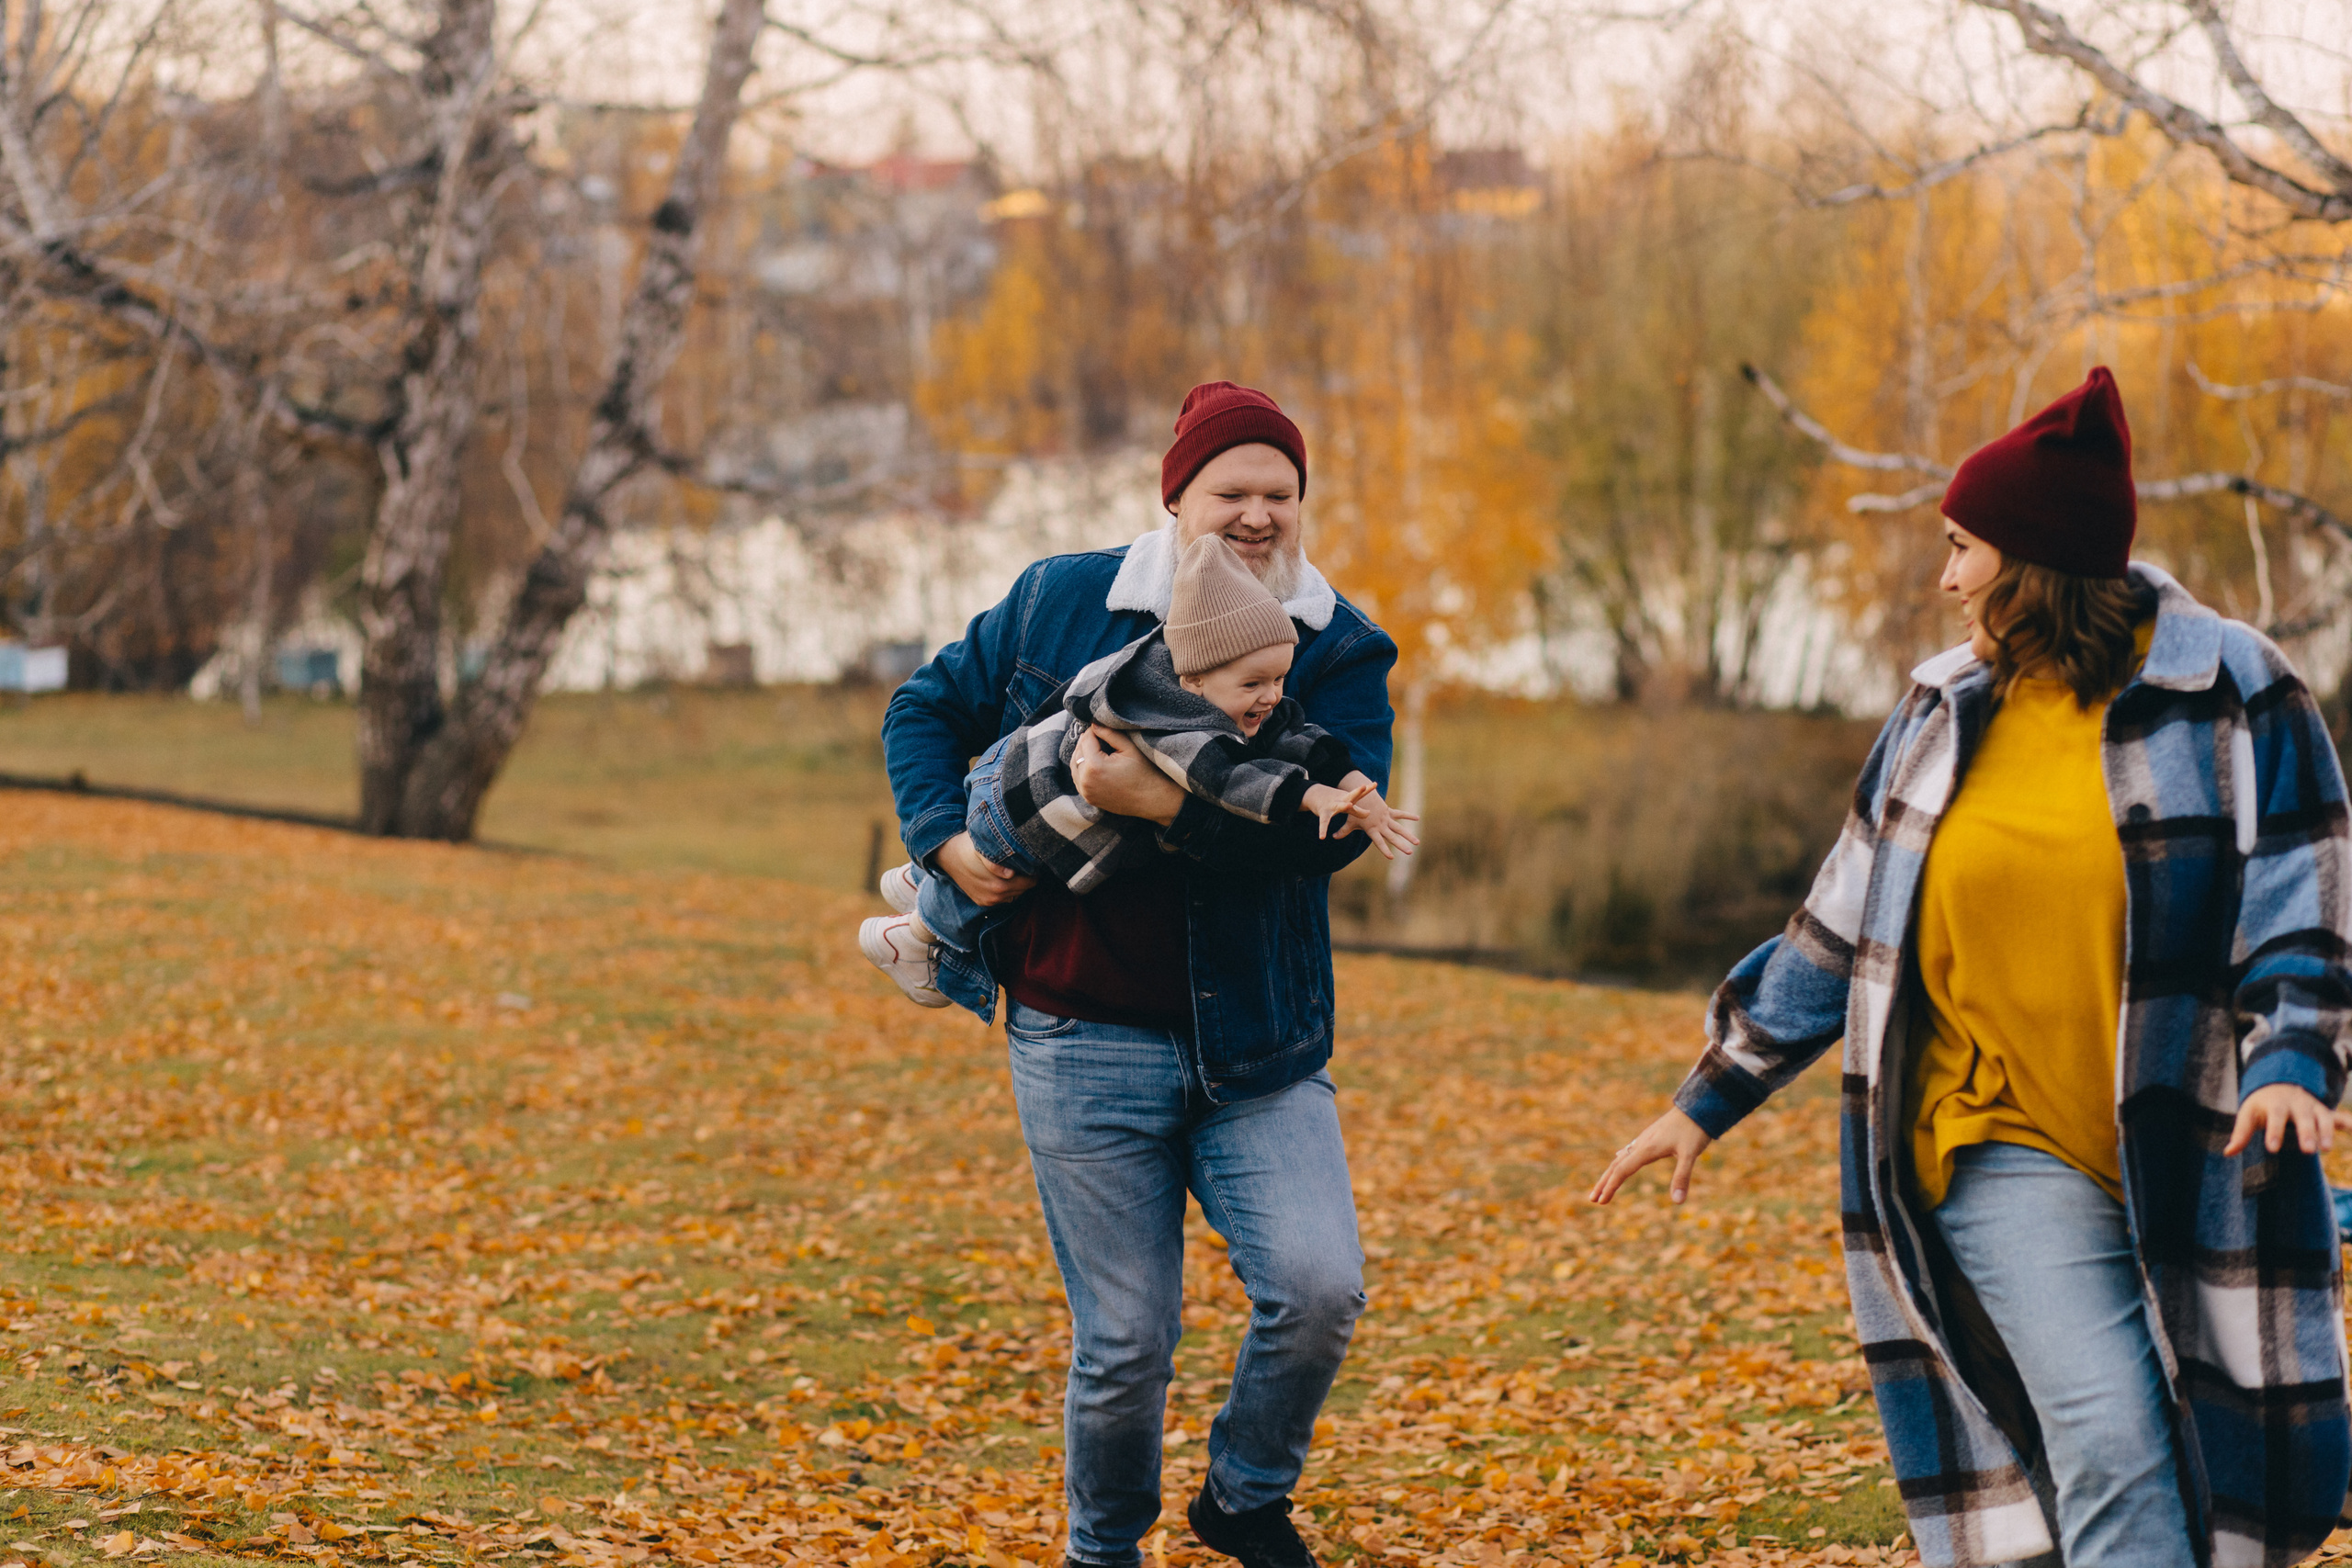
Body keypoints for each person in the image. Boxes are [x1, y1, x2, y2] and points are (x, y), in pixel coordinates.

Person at [1590, 367, 2352, 1568]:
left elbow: (2299, 892)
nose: (1944, 577)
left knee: (2207, 1456)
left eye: (1962, 547)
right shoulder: (1943, 709)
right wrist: (1709, 1095)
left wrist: (2295, 1052)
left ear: (2034, 559)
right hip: (1992, 1139)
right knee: (2109, 1433)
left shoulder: (2232, 691)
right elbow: (1837, 924)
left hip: (2181, 1141)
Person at [883, 380, 1399, 1568]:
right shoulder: (1061, 601)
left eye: (1282, 491)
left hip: (1261, 1045)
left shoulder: (1337, 647)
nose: (1257, 514)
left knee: (1319, 1286)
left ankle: (1244, 1493)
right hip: (1079, 1034)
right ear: (1175, 499)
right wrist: (945, 845)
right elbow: (924, 708)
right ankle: (1101, 1550)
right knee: (1124, 1340)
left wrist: (1160, 799)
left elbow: (1325, 839)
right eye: (1232, 490)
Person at [861, 534, 1415, 1008]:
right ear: (1195, 681)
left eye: (1280, 679)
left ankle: (919, 883)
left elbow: (1294, 731)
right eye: (1256, 684)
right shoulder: (1170, 716)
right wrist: (1306, 797)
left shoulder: (1239, 686)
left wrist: (1347, 783)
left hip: (1033, 794)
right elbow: (1225, 779)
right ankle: (913, 932)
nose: (1273, 695)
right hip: (1021, 805)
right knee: (1004, 872)